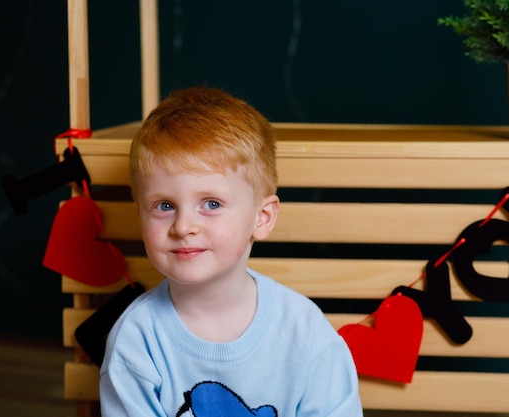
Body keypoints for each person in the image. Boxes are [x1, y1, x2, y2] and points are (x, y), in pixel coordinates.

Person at [99, 86, 363, 417]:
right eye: (164, 205)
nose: (183, 226)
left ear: (261, 218)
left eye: (211, 203)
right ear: (140, 217)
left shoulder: (304, 330)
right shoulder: (137, 339)